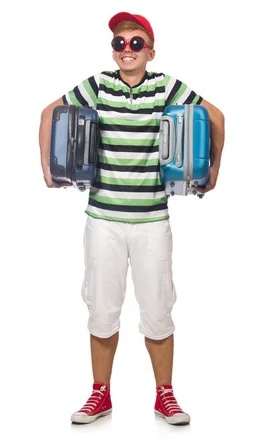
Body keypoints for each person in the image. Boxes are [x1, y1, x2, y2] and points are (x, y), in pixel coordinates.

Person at [38, 11, 225, 425]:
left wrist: (213, 170)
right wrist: (47, 167)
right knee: (102, 310)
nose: (126, 50)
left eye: (135, 43)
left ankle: (165, 397)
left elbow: (215, 116)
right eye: (119, 43)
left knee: (158, 310)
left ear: (150, 51)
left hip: (152, 221)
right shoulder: (98, 85)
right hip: (102, 219)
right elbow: (50, 112)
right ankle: (99, 396)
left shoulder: (166, 87)